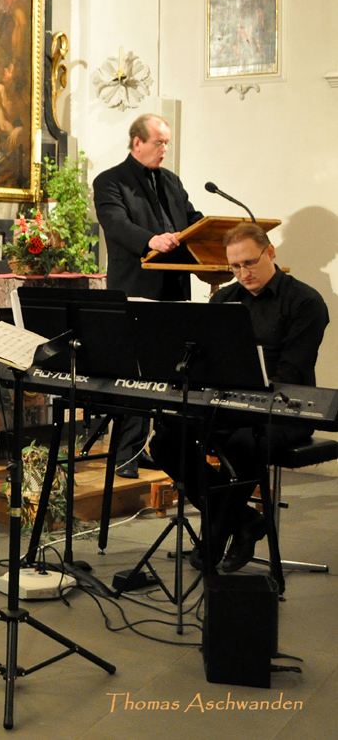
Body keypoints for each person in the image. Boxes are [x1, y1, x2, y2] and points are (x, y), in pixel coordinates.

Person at [149, 222, 328, 572]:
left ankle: (215, 537)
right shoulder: (225, 299)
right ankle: (245, 520)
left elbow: (292, 374)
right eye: (234, 267)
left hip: (286, 411)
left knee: (243, 446)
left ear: (270, 252)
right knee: (167, 442)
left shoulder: (306, 301)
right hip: (227, 408)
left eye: (249, 263)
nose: (243, 273)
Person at [93, 114, 204, 478]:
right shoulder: (110, 181)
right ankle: (125, 455)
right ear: (137, 142)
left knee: (169, 375)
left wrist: (214, 232)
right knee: (135, 376)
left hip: (174, 289)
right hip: (136, 288)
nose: (164, 150)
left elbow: (189, 219)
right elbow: (116, 224)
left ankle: (155, 448)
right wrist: (150, 240)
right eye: (159, 142)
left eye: (167, 143)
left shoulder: (171, 181)